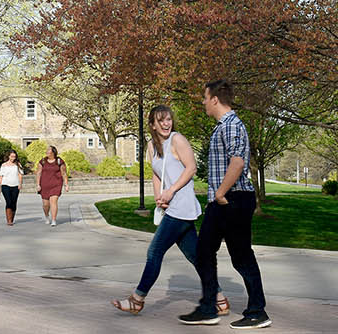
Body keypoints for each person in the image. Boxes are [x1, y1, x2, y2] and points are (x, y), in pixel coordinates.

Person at [111, 105, 230, 316]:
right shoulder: (151, 145)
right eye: (161, 120)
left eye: (168, 119)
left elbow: (191, 168)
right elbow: (157, 173)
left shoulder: (178, 140)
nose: (166, 124)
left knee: (154, 252)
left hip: (182, 205)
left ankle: (137, 299)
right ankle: (219, 299)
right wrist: (159, 197)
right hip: (171, 205)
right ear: (153, 125)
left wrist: (172, 191)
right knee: (196, 256)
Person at [178, 81, 270, 328]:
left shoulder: (232, 126)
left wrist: (220, 193)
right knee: (204, 252)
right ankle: (208, 308)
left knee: (241, 257)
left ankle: (257, 311)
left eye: (205, 98)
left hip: (233, 199)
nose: (203, 102)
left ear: (215, 99)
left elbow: (237, 162)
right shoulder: (223, 127)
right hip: (222, 201)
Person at [36, 146, 68, 226]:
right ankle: (47, 216)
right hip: (44, 185)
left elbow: (64, 173)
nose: (46, 152)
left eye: (48, 151)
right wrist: (38, 184)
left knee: (53, 202)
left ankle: (53, 220)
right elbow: (38, 173)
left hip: (56, 185)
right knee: (46, 204)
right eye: (46, 151)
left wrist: (66, 184)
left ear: (53, 152)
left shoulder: (59, 161)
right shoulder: (43, 161)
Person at [0, 150, 22, 226]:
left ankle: (12, 218)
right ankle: (9, 220)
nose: (13, 158)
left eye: (14, 156)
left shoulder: (18, 165)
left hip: (15, 185)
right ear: (8, 156)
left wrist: (20, 184)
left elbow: (20, 175)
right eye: (11, 156)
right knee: (9, 202)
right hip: (5, 185)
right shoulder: (4, 165)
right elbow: (1, 176)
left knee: (14, 203)